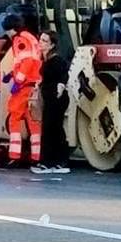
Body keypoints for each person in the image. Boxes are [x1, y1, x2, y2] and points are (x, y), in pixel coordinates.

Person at [2, 14, 43, 167]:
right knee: (33, 121)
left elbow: (26, 62)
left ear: (12, 29)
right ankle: (36, 157)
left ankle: (15, 155)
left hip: (24, 86)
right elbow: (30, 62)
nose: (7, 34)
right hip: (34, 85)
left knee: (14, 118)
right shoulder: (31, 38)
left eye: (7, 31)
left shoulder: (20, 40)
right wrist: (11, 74)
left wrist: (17, 81)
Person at [33, 30, 72, 175]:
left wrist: (61, 85)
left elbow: (63, 74)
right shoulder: (47, 60)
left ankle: (50, 162)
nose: (40, 43)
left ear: (52, 45)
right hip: (51, 98)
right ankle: (54, 162)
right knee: (53, 129)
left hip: (57, 98)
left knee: (52, 129)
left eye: (44, 41)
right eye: (41, 39)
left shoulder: (56, 60)